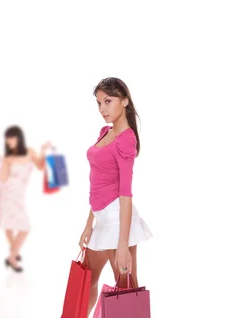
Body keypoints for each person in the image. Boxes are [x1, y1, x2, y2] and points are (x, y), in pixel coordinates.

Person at [78, 77, 152, 314]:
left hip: (118, 220)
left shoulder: (126, 140)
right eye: (99, 103)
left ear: (125, 101)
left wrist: (123, 244)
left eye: (108, 101)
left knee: (126, 293)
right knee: (87, 280)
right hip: (103, 218)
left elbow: (125, 193)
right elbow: (99, 183)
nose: (102, 109)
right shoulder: (104, 132)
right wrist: (89, 223)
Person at [0, 125, 51, 272]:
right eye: (8, 138)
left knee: (21, 226)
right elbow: (2, 177)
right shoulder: (8, 158)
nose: (10, 141)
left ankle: (12, 253)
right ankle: (13, 257)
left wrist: (44, 150)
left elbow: (40, 167)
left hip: (19, 194)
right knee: (12, 224)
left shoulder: (29, 152)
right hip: (7, 193)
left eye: (12, 137)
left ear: (19, 138)